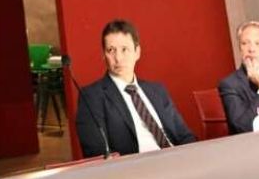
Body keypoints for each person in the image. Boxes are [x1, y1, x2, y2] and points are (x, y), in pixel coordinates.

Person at [75, 19, 196, 158]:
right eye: (111, 50)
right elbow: (96, 152)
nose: (118, 58)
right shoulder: (91, 97)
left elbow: (185, 135)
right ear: (104, 55)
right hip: (136, 166)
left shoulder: (157, 90)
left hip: (177, 159)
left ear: (137, 52)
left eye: (124, 49)